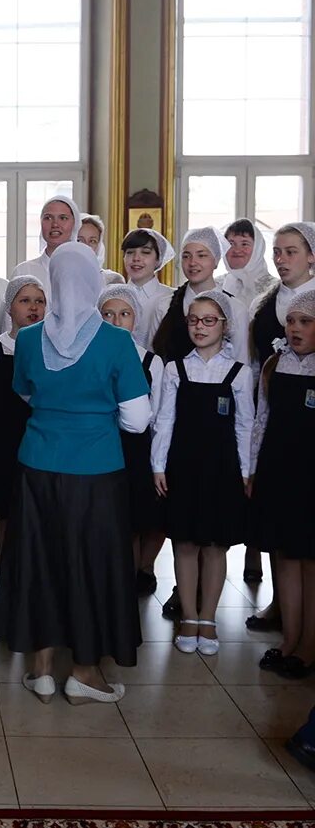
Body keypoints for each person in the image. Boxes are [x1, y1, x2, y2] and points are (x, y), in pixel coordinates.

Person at [0, 243, 151, 705]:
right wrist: (97, 421)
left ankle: (40, 670)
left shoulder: (27, 338)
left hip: (37, 464)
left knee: (38, 560)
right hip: (97, 470)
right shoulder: (117, 342)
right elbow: (138, 420)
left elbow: (26, 392)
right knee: (90, 565)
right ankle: (84, 672)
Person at [152, 291, 251, 656]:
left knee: (214, 545)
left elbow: (245, 425)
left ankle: (209, 616)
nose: (200, 327)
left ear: (224, 326)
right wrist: (158, 464)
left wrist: (246, 470)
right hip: (184, 465)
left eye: (209, 320)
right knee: (185, 543)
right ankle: (189, 615)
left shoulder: (240, 372)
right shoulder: (176, 368)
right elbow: (165, 419)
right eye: (194, 320)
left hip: (222, 468)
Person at [251, 289, 315, 679]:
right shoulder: (275, 365)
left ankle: (310, 644)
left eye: (305, 322)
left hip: (311, 473)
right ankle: (290, 637)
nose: (295, 329)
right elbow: (261, 420)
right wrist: (253, 471)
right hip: (279, 469)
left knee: (310, 560)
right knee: (285, 556)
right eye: (291, 322)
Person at [0, 276, 45, 565]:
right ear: (10, 308)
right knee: (7, 520)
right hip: (3, 448)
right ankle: (6, 590)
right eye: (25, 301)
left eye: (39, 301)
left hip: (41, 446)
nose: (33, 308)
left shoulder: (51, 348)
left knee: (39, 522)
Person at [97, 285, 165, 596]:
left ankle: (128, 584)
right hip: (98, 445)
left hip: (135, 450)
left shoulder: (152, 361)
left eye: (124, 314)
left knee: (134, 523)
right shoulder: (90, 356)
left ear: (135, 320)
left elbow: (159, 414)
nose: (116, 321)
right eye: (108, 314)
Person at [148, 227, 249, 365]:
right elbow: (154, 361)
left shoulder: (235, 308)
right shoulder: (164, 305)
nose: (192, 262)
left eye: (201, 255)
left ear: (216, 261)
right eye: (186, 256)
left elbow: (242, 362)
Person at [249, 222, 315, 366]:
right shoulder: (260, 304)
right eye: (276, 252)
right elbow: (254, 361)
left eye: (290, 252)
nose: (280, 260)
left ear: (311, 256)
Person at [10, 195, 81, 302]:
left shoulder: (86, 271)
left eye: (63, 218)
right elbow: (11, 316)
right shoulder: (23, 271)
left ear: (74, 224)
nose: (55, 224)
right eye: (48, 218)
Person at [121, 228, 175, 347]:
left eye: (145, 252)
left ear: (158, 259)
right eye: (130, 252)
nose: (136, 258)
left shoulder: (171, 298)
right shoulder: (114, 296)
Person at [221, 218, 276, 304]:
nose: (237, 250)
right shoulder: (217, 285)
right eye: (231, 244)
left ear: (258, 249)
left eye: (244, 244)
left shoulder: (276, 288)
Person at [78, 213, 125, 285]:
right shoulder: (58, 276)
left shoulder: (112, 279)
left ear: (99, 245)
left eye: (92, 241)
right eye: (80, 240)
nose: (86, 246)